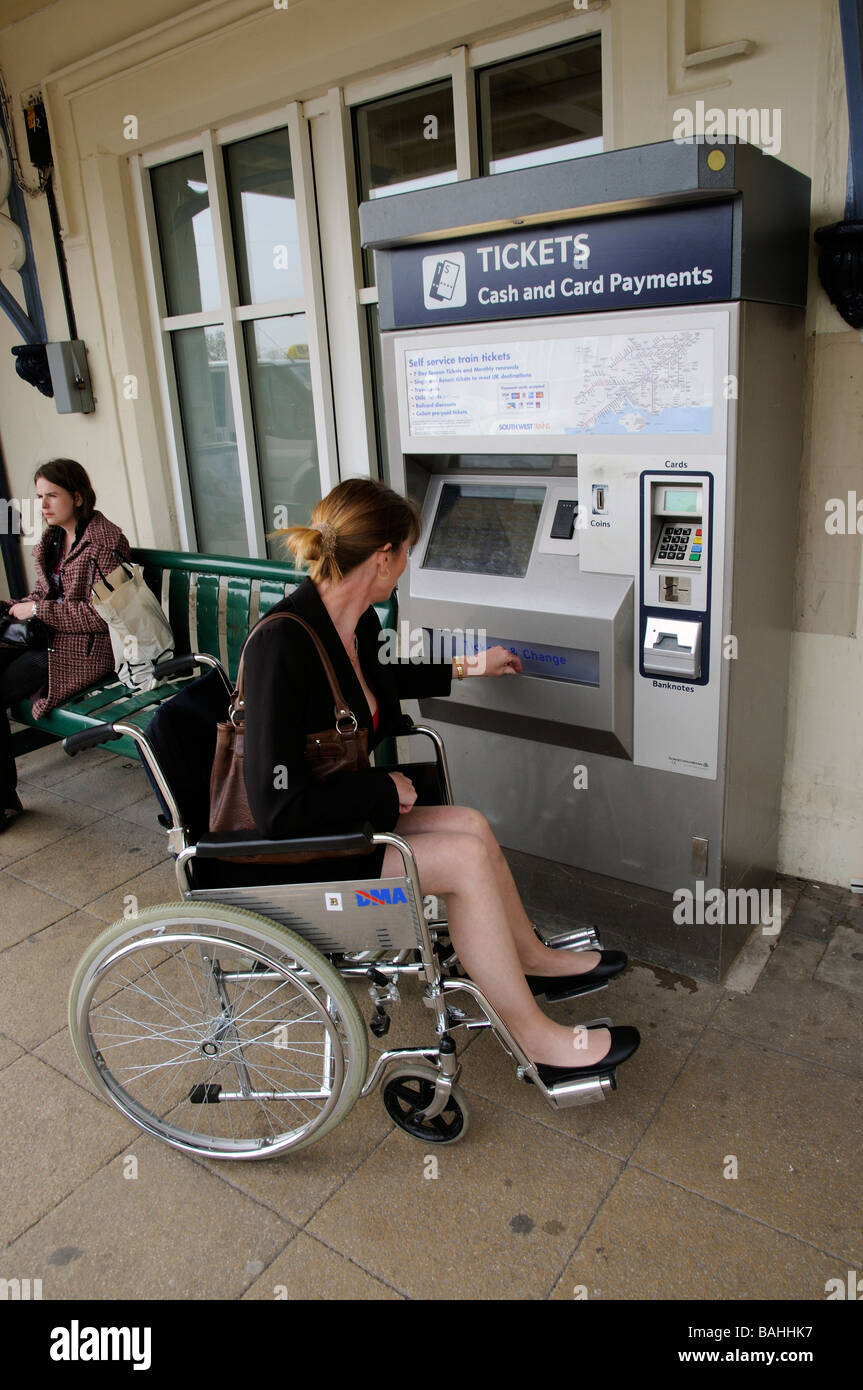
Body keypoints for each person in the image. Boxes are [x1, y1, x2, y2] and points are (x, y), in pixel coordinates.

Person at [242, 478, 640, 1082]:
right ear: (383, 558)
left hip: (342, 819)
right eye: (405, 554)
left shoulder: (351, 624)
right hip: (300, 850)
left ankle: (530, 958)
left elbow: (380, 681)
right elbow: (274, 807)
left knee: (472, 828)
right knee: (464, 864)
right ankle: (536, 1040)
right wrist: (380, 790)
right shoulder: (281, 645)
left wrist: (468, 666)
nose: (406, 567)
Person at [0, 459, 131, 829]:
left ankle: (4, 802)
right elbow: (43, 594)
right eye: (39, 496)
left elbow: (103, 616)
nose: (42, 505)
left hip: (85, 652)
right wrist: (15, 607)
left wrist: (39, 610)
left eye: (51, 496)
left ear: (77, 496)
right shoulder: (53, 539)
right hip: (50, 641)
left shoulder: (105, 543)